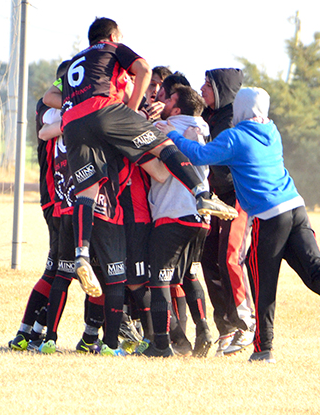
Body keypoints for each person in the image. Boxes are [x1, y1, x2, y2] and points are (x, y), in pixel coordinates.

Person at [159, 87, 320, 363]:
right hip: (296, 207)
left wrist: (169, 134)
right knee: (314, 268)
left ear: (241, 110)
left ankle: (263, 349)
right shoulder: (273, 131)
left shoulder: (236, 137)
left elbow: (197, 155)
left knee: (262, 283)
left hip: (268, 218)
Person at [43, 17, 237, 304]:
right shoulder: (111, 49)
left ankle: (81, 255)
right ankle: (201, 192)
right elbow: (144, 69)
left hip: (73, 124)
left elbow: (53, 98)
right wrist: (130, 111)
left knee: (87, 190)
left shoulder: (74, 64)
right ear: (112, 35)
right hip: (105, 110)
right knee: (163, 144)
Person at [144, 85, 213, 357]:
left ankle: (160, 344)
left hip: (173, 212)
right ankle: (204, 328)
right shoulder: (203, 128)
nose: (161, 100)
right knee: (189, 274)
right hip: (201, 217)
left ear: (177, 107)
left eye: (167, 98)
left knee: (159, 279)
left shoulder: (165, 126)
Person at [198, 68, 256, 356]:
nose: (202, 88)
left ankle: (247, 323)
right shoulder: (208, 115)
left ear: (221, 89)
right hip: (217, 199)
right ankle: (226, 327)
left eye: (207, 84)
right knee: (209, 258)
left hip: (240, 196)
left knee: (231, 256)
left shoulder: (234, 119)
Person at [8, 98, 58, 351]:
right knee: (62, 271)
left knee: (61, 271)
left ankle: (30, 331)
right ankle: (30, 332)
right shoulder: (50, 112)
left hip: (64, 204)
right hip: (59, 204)